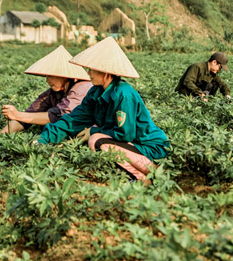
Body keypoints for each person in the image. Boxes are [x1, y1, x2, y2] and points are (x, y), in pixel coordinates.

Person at [36, 37, 170, 184]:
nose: (88, 73)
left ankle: (148, 175)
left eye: (92, 69)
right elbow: (74, 120)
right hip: (130, 146)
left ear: (105, 73)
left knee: (97, 141)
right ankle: (142, 177)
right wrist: (43, 139)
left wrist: (93, 131)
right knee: (92, 140)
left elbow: (125, 134)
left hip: (148, 147)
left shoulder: (123, 94)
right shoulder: (95, 92)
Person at [0, 45, 92, 133]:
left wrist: (18, 115)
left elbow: (60, 116)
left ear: (64, 76)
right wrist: (2, 134)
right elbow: (28, 116)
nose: (47, 80)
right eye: (46, 76)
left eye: (50, 76)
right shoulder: (52, 93)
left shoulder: (82, 87)